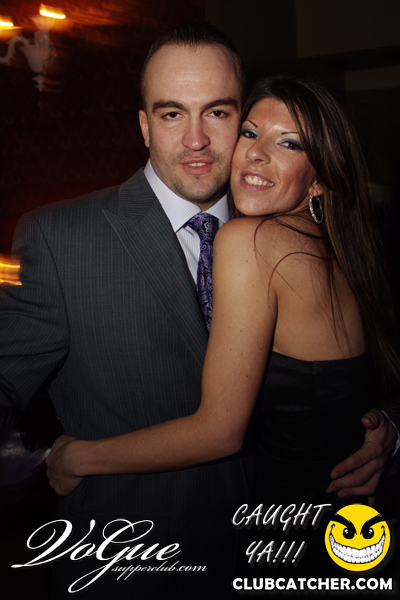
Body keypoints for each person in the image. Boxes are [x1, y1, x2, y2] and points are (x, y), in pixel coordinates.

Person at [0, 24, 397, 598]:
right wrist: (29, 460)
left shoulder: (294, 230)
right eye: (171, 114)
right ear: (144, 126)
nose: (196, 140)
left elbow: (368, 365)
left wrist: (384, 429)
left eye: (218, 113)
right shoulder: (62, 238)